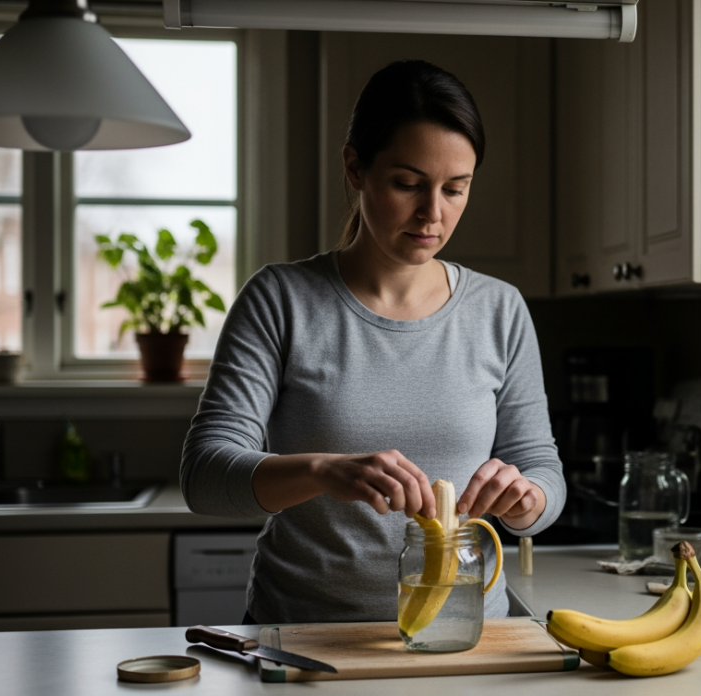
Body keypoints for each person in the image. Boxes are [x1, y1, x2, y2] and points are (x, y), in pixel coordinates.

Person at [180, 60, 564, 624]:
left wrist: (527, 499)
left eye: (455, 189)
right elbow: (205, 477)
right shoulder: (280, 300)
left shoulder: (499, 308)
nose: (433, 213)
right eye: (407, 184)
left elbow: (543, 473)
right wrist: (319, 471)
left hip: (465, 639)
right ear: (356, 167)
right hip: (307, 639)